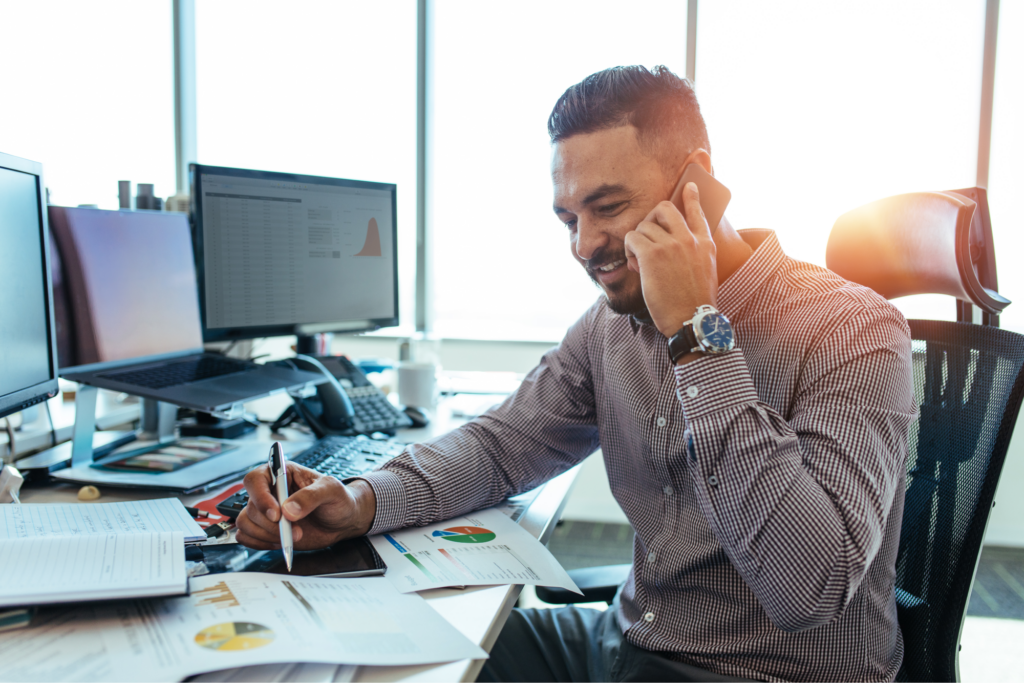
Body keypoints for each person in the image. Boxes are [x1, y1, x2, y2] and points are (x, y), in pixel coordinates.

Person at [236, 65, 917, 683]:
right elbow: (501, 445)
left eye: (608, 207)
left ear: (695, 184)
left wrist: (695, 331)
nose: (583, 244)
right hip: (627, 639)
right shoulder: (607, 328)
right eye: (568, 217)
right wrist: (362, 500)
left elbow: (811, 587)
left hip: (762, 673)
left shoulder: (851, 328)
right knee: (390, 661)